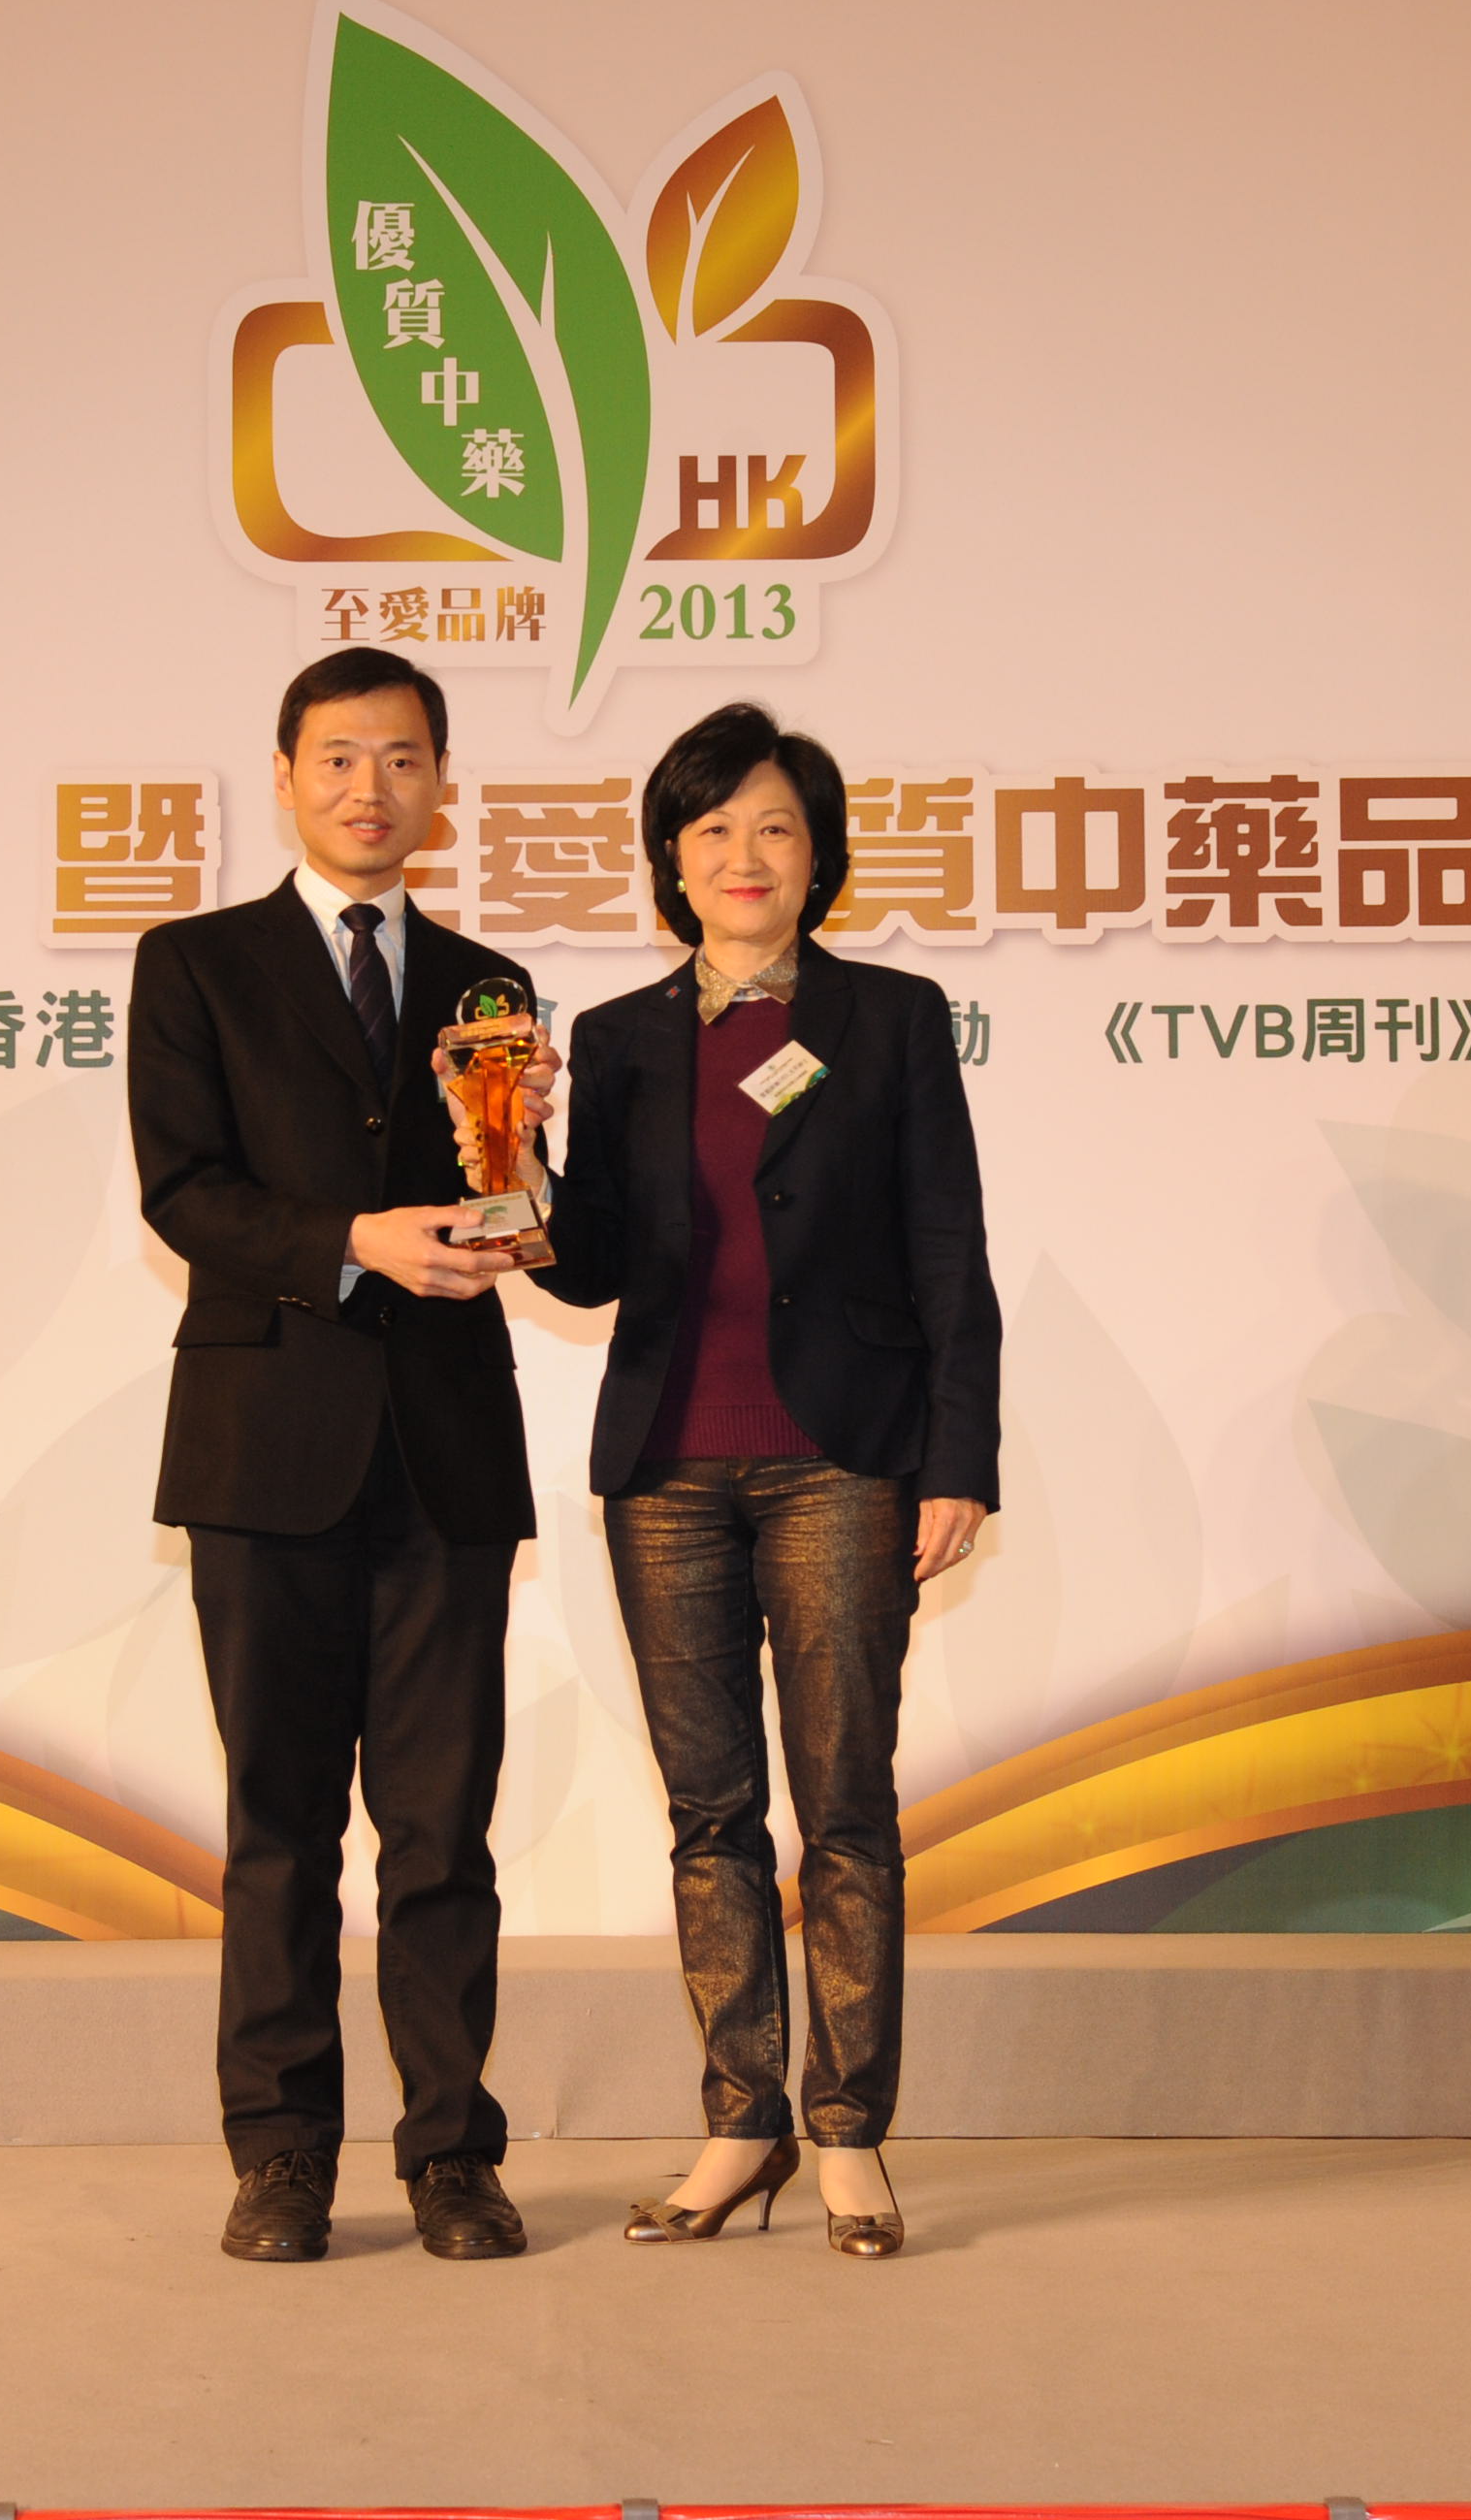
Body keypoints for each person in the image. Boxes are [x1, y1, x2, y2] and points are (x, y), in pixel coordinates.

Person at [528, 701, 999, 2261]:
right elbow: (591, 1266)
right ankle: (742, 2123)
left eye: (776, 827)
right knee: (710, 1813)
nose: (746, 855)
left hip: (842, 1459)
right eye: (715, 828)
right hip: (665, 1465)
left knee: (845, 1806)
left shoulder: (892, 1019)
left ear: (819, 857)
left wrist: (958, 1456)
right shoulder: (619, 1039)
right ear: (672, 859)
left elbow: (949, 1247)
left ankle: (849, 2131)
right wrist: (512, 1165)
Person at [126, 646, 558, 2266]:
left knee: (444, 1832)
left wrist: (526, 1194)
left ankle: (452, 2154)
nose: (371, 788)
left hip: (445, 1455)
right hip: (264, 1447)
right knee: (282, 1826)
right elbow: (184, 1191)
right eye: (339, 758)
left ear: (443, 784)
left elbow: (514, 1209)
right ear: (286, 777)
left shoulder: (487, 986)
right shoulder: (197, 964)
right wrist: (356, 1241)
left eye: (402, 759)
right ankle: (282, 2155)